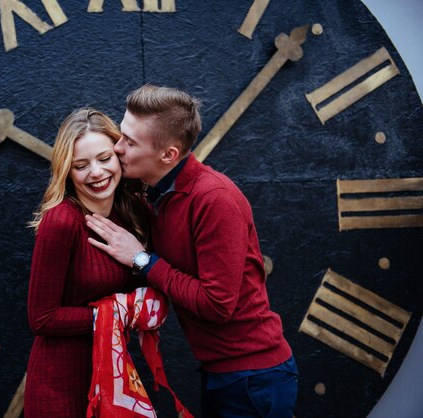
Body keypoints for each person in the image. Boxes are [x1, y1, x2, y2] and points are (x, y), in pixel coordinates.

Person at [85, 85, 298, 418]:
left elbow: (217, 305)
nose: (117, 148)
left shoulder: (215, 200)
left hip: (253, 378)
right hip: (225, 373)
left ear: (168, 155)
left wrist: (142, 259)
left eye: (130, 142)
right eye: (121, 135)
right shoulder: (159, 195)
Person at [24, 108, 148, 418]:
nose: (96, 173)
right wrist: (113, 315)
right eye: (81, 165)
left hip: (112, 381)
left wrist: (140, 261)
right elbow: (42, 318)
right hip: (60, 387)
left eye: (104, 159)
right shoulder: (62, 221)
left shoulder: (132, 215)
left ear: (119, 156)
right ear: (67, 170)